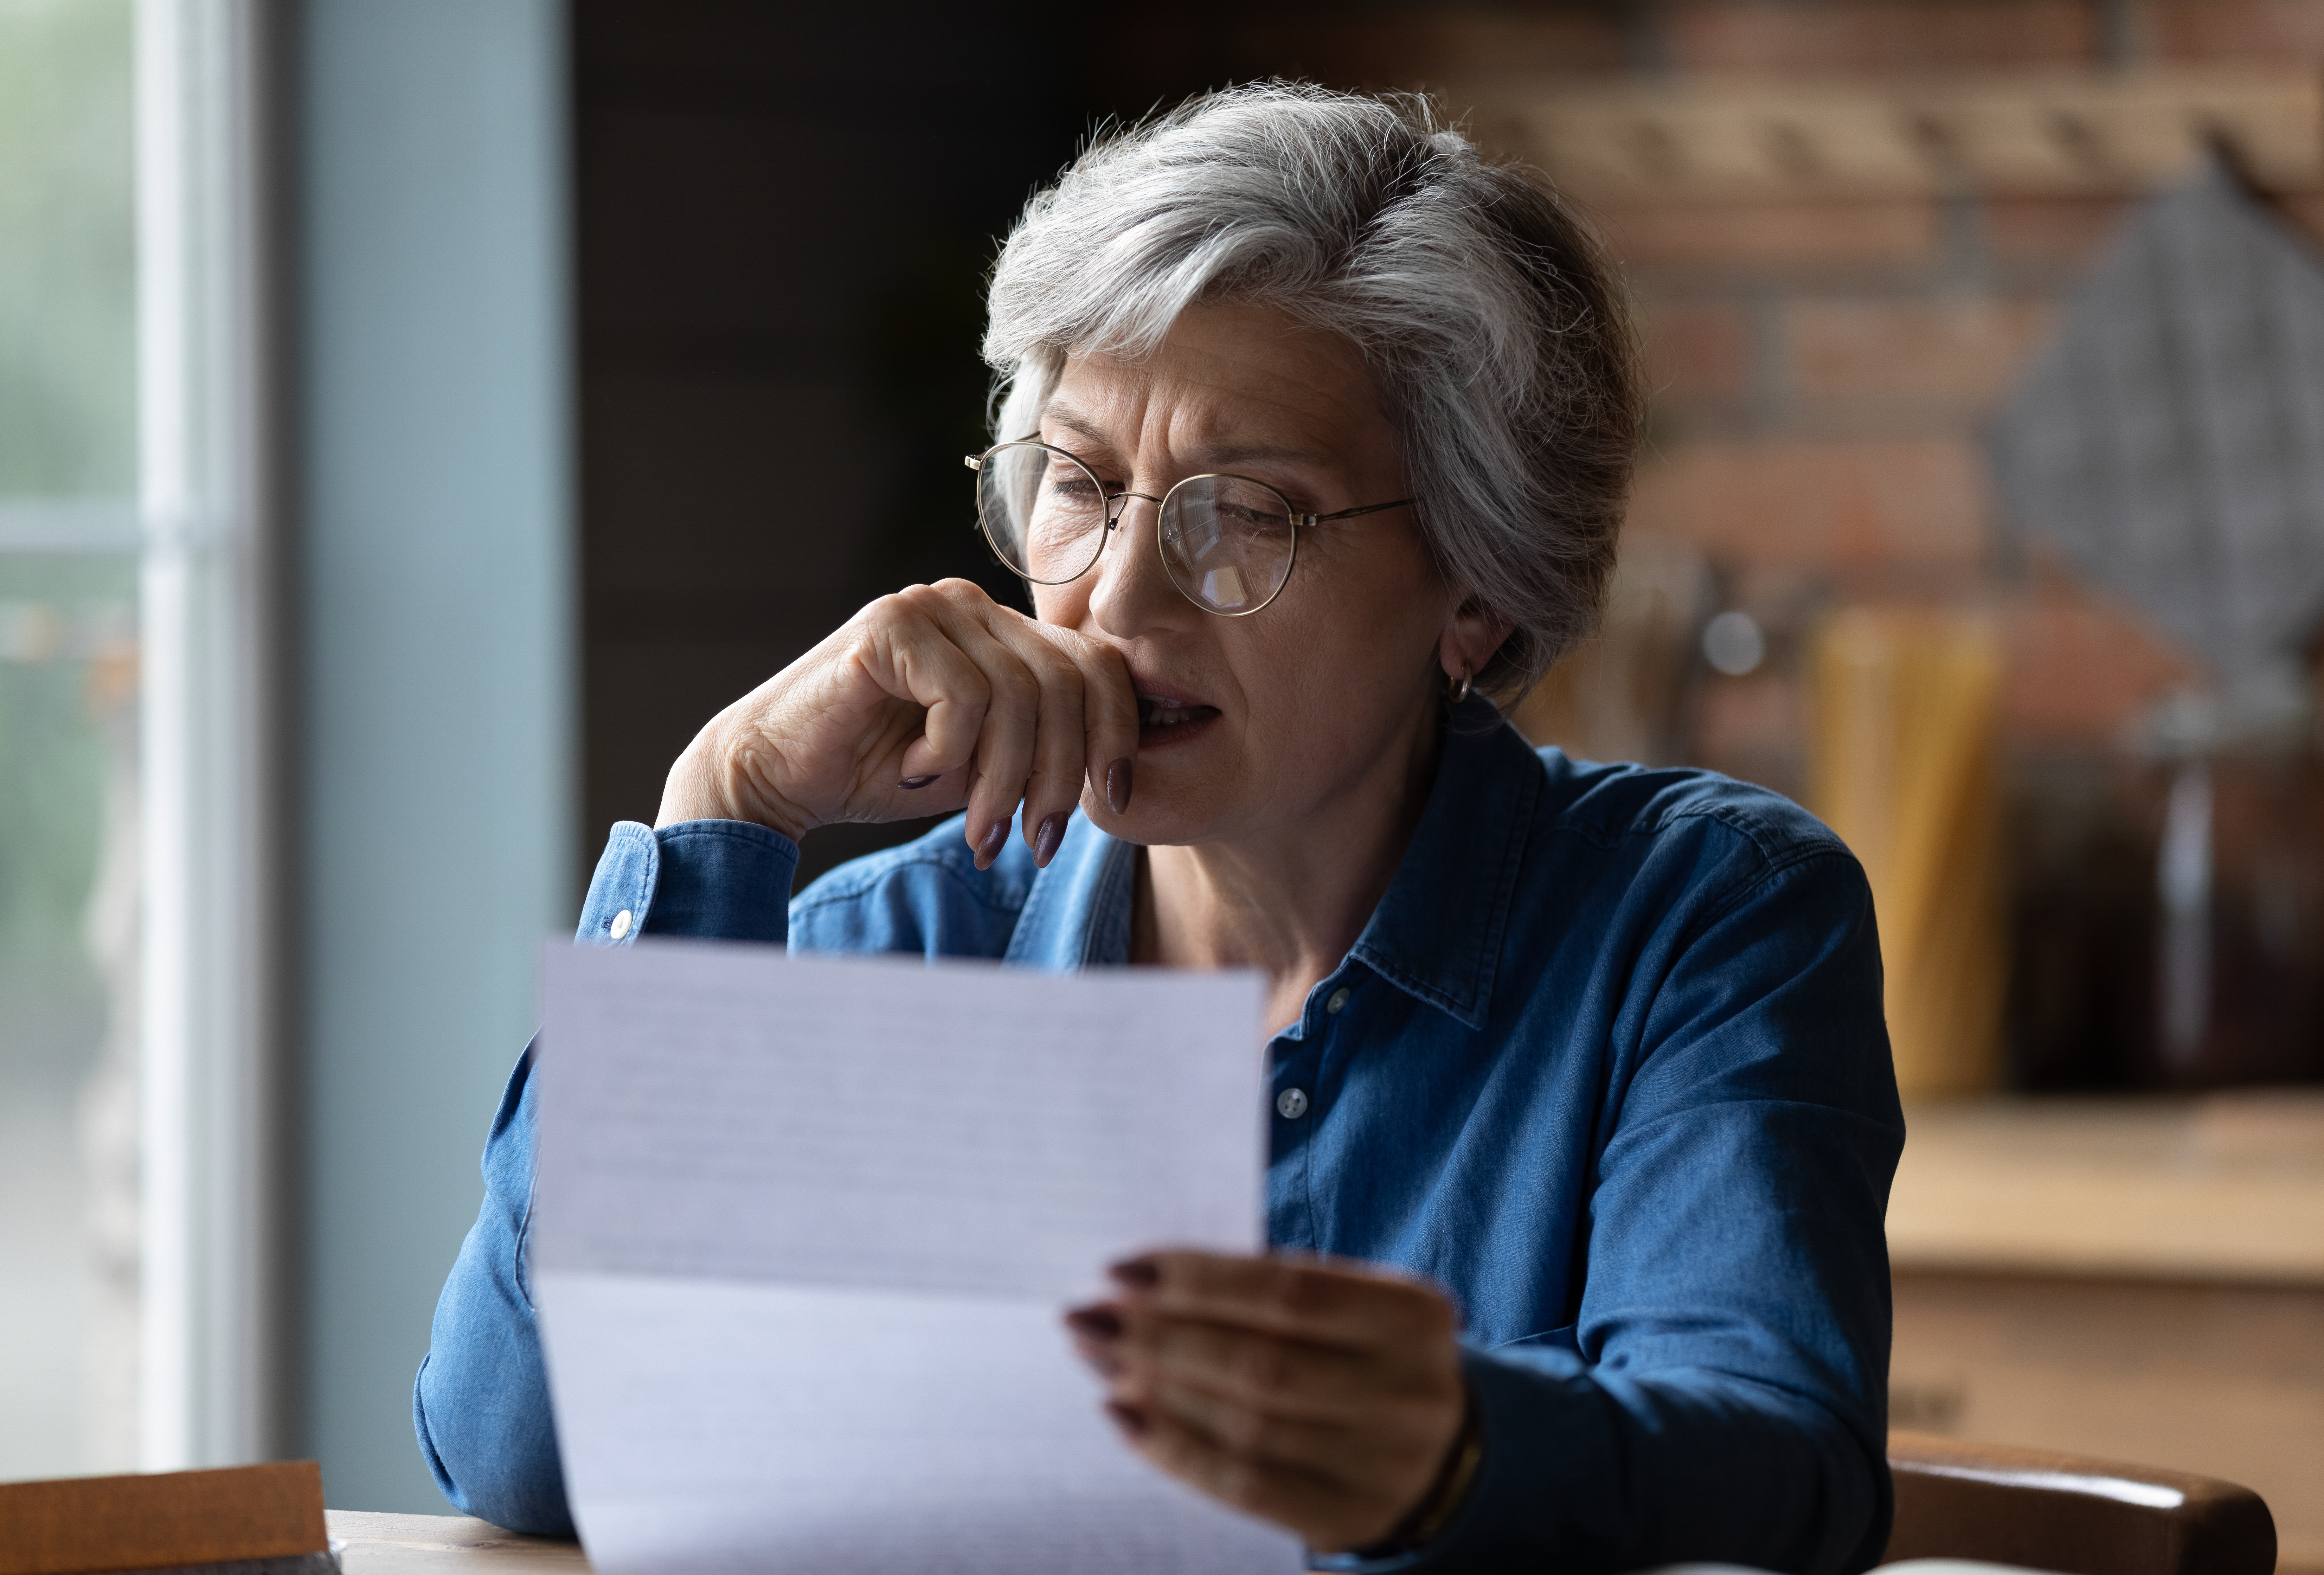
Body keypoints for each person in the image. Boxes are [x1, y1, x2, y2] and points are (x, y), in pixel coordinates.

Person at [414, 83, 1902, 1572]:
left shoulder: (1705, 919)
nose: (1119, 602)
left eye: (1245, 512)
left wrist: (1453, 1451)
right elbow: (521, 1454)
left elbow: (1780, 1473)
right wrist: (725, 800)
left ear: (1478, 584)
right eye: (1079, 484)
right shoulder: (900, 948)